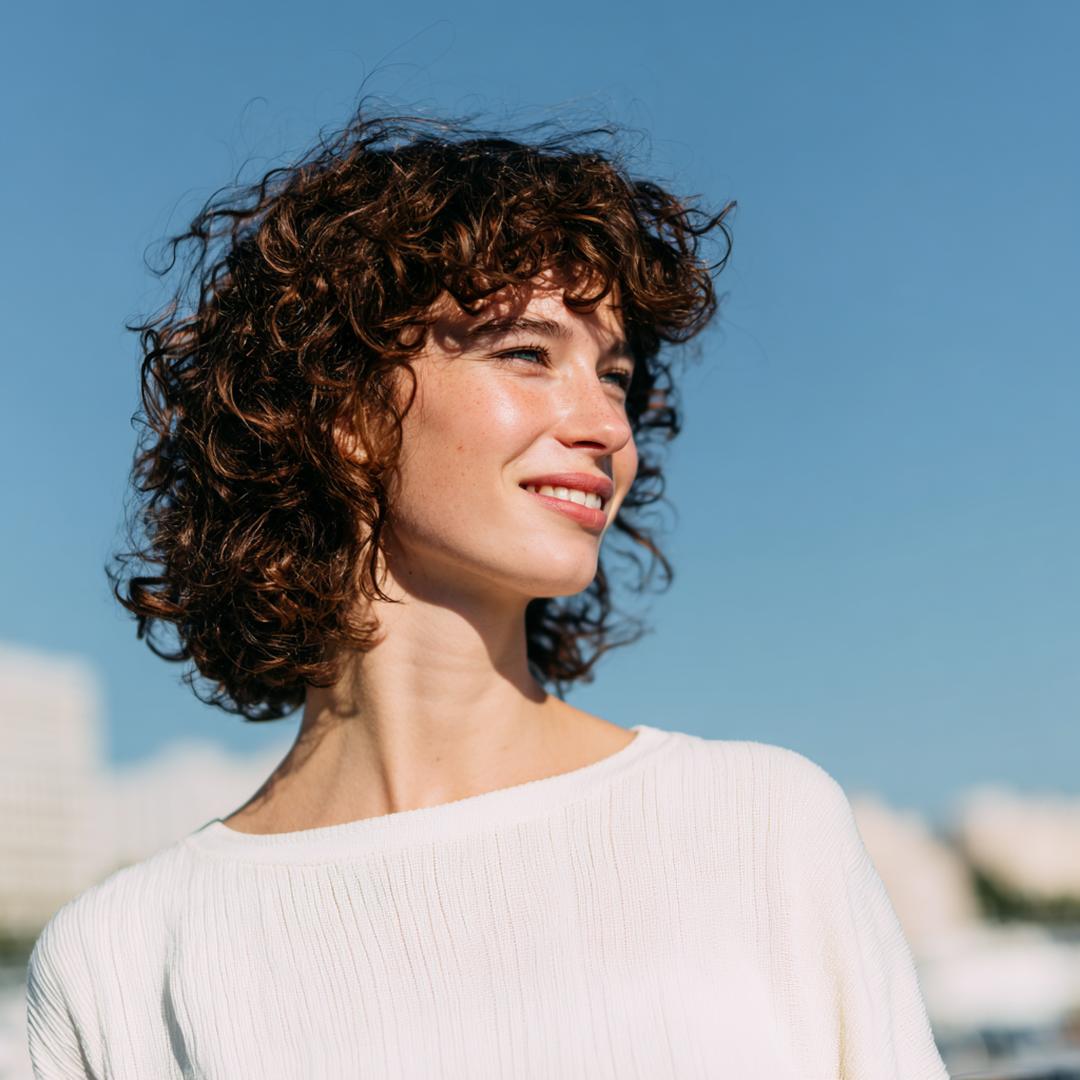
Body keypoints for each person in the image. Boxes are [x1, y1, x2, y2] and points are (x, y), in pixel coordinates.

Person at [25, 105, 950, 1079]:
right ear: (344, 408)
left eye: (616, 375)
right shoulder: (123, 964)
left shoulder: (758, 828)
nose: (608, 427)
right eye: (526, 354)